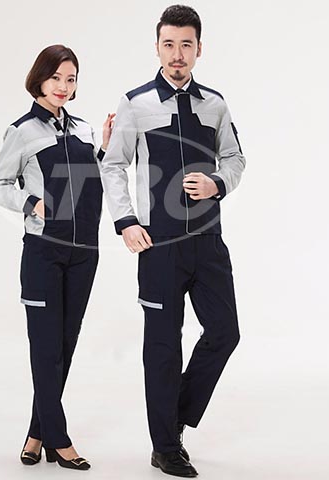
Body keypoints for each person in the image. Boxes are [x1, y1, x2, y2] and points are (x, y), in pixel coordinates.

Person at [100, 5, 246, 478]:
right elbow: (113, 164)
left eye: (186, 44)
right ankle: (165, 447)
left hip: (208, 241)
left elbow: (235, 158)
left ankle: (173, 415)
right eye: (169, 44)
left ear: (199, 49)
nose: (177, 54)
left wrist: (217, 183)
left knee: (224, 332)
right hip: (158, 245)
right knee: (163, 346)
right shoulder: (135, 103)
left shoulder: (215, 104)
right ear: (157, 48)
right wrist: (126, 222)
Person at [0, 44, 114, 471]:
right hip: (44, 252)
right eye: (56, 77)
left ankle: (36, 433)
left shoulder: (84, 130)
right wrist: (31, 203)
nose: (63, 86)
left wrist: (103, 149)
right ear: (39, 78)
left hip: (85, 253)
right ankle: (60, 441)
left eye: (70, 79)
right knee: (45, 348)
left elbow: (90, 178)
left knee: (64, 347)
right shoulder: (22, 131)